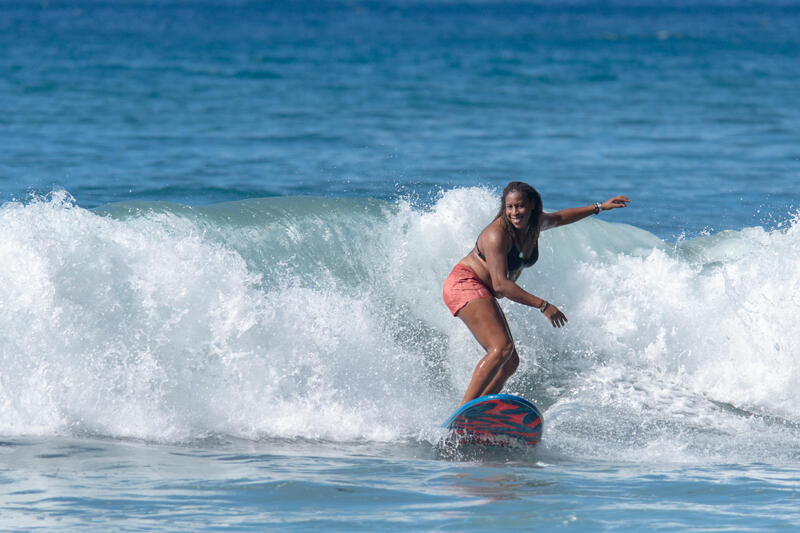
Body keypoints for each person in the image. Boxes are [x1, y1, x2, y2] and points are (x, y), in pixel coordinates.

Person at [442, 181, 630, 405]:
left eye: (520, 206)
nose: (514, 212)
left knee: (510, 362)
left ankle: (479, 410)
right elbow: (501, 284)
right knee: (501, 348)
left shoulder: (535, 223)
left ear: (532, 206)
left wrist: (599, 207)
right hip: (464, 283)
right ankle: (464, 412)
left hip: (482, 289)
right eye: (510, 207)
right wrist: (543, 305)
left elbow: (561, 217)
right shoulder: (496, 235)